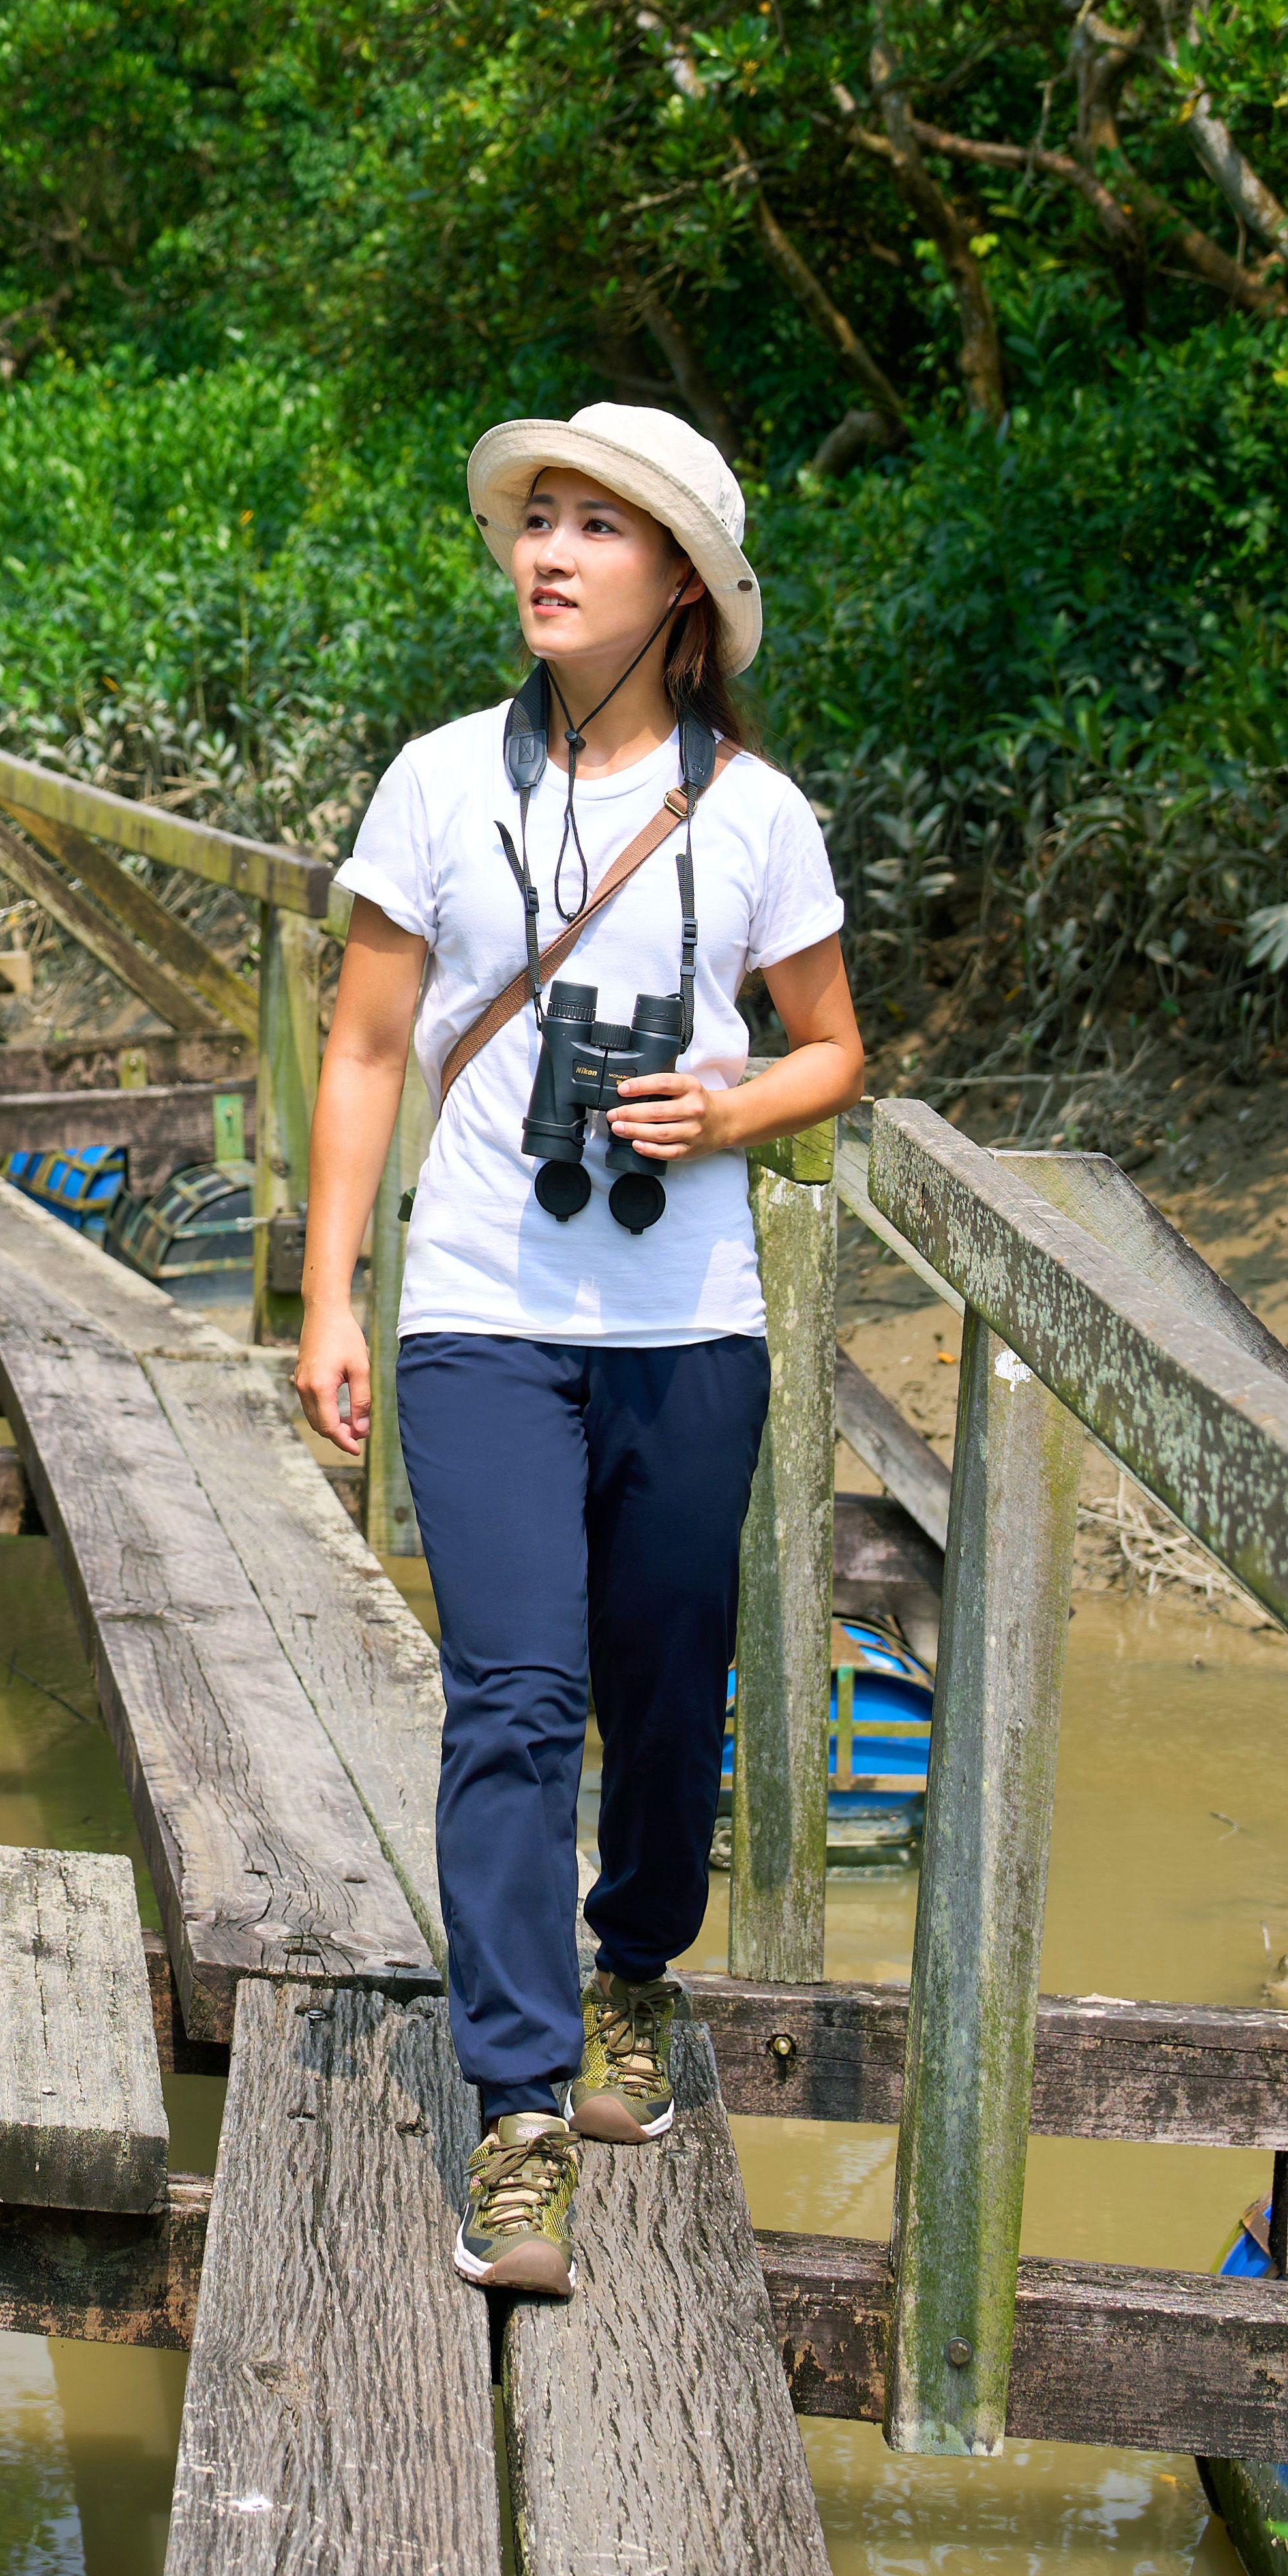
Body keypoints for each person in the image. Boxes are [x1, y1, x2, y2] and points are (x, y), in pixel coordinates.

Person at [292, 403, 866, 2300]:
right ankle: (518, 2105)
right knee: (518, 1695)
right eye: (530, 520)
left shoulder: (758, 814)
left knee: (662, 1674)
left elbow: (833, 1047)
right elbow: (367, 1046)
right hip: (478, 1314)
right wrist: (326, 1295)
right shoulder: (442, 783)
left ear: (679, 586)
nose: (542, 552)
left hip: (683, 1318)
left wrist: (735, 1114)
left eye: (589, 528)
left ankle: (634, 1963)